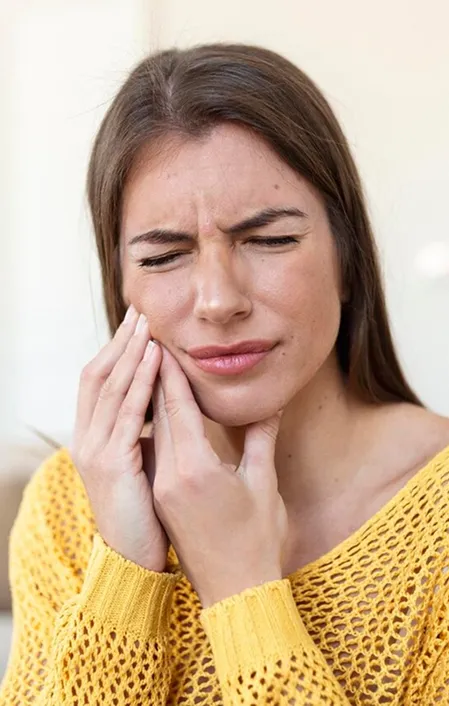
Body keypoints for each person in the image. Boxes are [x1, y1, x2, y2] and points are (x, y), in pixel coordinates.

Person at [1, 42, 449, 705]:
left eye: (268, 241)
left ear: (347, 260)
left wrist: (242, 589)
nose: (217, 299)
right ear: (120, 285)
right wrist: (123, 570)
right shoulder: (67, 508)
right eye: (163, 255)